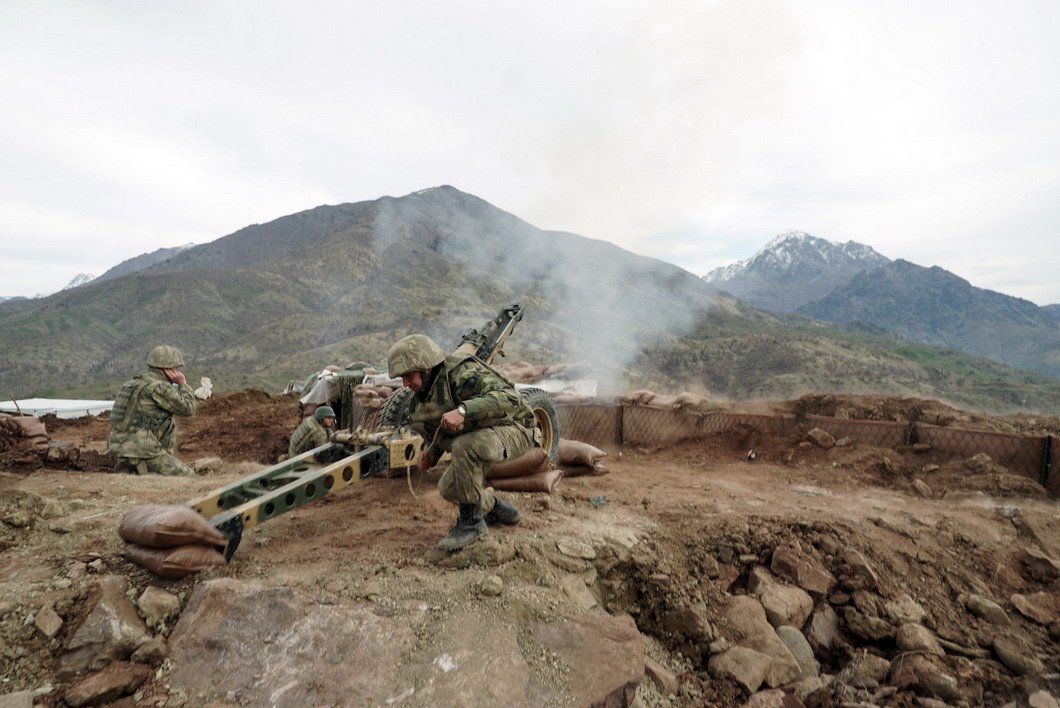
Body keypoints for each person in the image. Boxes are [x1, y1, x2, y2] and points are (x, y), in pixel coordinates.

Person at [387, 334, 539, 551]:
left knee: (464, 446)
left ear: (426, 367)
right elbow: (438, 435)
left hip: (517, 428)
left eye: (409, 375)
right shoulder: (421, 400)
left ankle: (472, 525)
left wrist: (463, 411)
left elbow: (511, 399)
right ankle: (493, 506)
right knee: (448, 488)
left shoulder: (461, 374)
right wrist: (432, 454)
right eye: (402, 378)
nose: (405, 383)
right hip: (484, 437)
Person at [108, 345, 196, 476]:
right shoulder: (158, 387)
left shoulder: (131, 383)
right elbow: (188, 408)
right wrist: (182, 384)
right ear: (168, 369)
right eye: (176, 368)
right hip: (141, 450)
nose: (178, 371)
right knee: (188, 476)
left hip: (118, 448)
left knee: (165, 417)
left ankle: (130, 468)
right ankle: (147, 466)